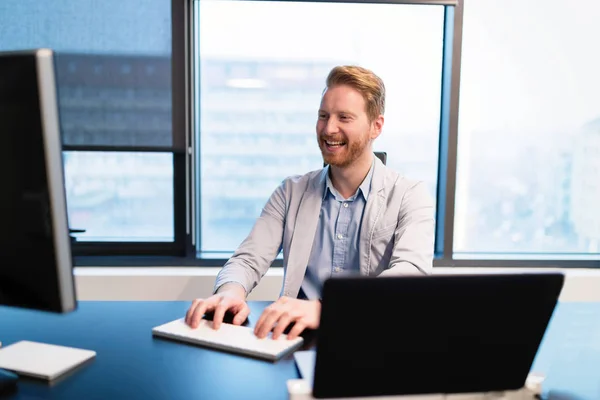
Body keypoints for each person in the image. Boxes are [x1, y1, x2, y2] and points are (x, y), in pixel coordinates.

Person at [185, 65, 435, 340]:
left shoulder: (410, 195)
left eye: (344, 117)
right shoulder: (291, 192)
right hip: (295, 338)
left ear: (376, 126)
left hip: (372, 338)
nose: (329, 129)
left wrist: (327, 310)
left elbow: (410, 275)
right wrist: (230, 292)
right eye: (323, 116)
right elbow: (248, 259)